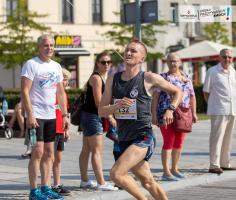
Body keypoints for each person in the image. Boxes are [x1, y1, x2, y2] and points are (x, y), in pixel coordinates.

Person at [98, 38, 182, 200]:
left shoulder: (149, 78)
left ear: (142, 59)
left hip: (143, 136)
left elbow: (177, 92)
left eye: (133, 51)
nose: (128, 53)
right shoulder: (113, 79)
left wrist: (170, 110)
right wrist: (117, 106)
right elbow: (102, 110)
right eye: (127, 50)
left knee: (116, 174)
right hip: (123, 138)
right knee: (148, 181)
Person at [21, 34, 69, 200]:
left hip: (51, 115)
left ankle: (46, 187)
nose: (49, 48)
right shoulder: (31, 64)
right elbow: (25, 91)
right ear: (39, 47)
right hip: (37, 115)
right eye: (46, 45)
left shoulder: (56, 66)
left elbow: (61, 93)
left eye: (51, 45)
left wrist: (64, 115)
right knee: (37, 151)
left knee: (50, 153)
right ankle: (34, 191)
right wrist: (30, 115)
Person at [151, 53, 198, 181]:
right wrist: (154, 114)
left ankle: (174, 169)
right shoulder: (162, 78)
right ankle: (166, 172)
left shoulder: (186, 77)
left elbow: (192, 96)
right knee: (168, 141)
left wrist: (194, 113)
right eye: (170, 61)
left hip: (183, 114)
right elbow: (155, 97)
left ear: (180, 62)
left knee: (179, 142)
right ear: (166, 63)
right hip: (165, 113)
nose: (173, 63)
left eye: (175, 61)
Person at [78, 51, 118, 191]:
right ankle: (101, 183)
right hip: (92, 117)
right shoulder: (96, 78)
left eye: (109, 62)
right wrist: (110, 116)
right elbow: (98, 102)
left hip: (88, 116)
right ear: (97, 63)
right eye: (103, 62)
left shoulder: (101, 77)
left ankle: (84, 181)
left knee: (87, 149)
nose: (106, 64)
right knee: (96, 151)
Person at [203, 48, 236, 174]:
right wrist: (213, 105)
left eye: (229, 57)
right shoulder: (212, 71)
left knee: (228, 138)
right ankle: (214, 164)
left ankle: (224, 163)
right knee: (216, 138)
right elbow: (206, 92)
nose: (227, 59)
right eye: (224, 56)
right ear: (219, 57)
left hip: (232, 110)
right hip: (218, 109)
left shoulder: (233, 71)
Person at [52, 68, 71, 196]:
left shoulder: (64, 95)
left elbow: (66, 114)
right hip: (51, 129)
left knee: (58, 158)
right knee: (49, 158)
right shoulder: (52, 93)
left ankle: (56, 184)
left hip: (60, 129)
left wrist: (66, 130)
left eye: (67, 80)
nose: (65, 82)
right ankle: (46, 186)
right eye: (63, 78)